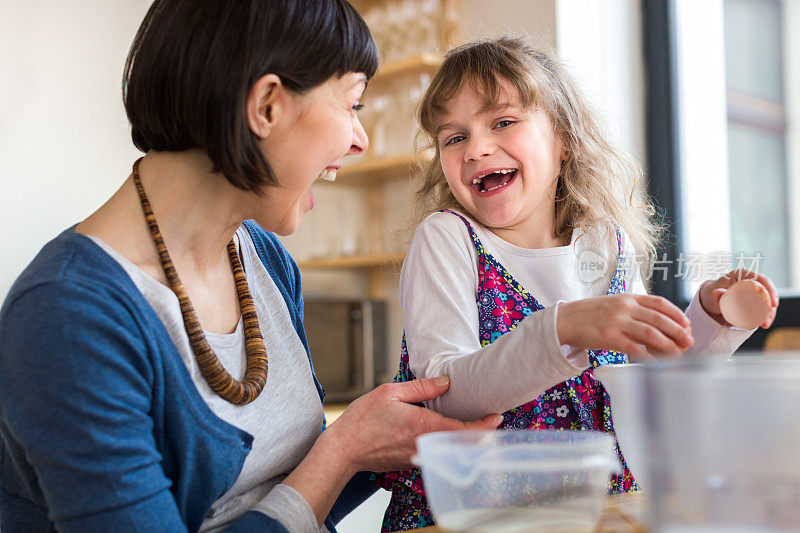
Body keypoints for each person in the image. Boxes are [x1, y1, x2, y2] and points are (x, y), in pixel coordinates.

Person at [0, 2, 503, 532]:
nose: (361, 139)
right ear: (266, 105)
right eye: (352, 103)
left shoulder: (261, 257)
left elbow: (289, 489)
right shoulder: (66, 318)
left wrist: (403, 430)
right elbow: (318, 473)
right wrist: (346, 448)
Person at [373, 37, 780, 531]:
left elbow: (655, 387)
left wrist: (712, 320)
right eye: (453, 137)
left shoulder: (604, 245)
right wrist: (565, 328)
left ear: (565, 141)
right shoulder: (446, 239)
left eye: (502, 122)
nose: (476, 148)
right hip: (474, 518)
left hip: (597, 514)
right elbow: (444, 394)